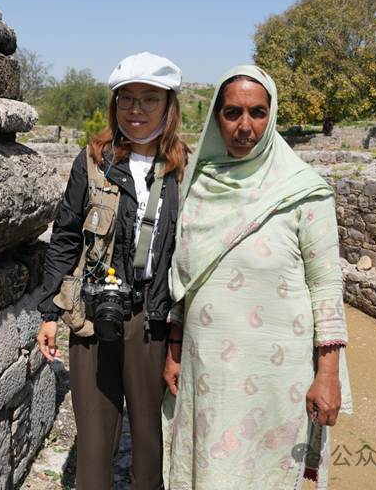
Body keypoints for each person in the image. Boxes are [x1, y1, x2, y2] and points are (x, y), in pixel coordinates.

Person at [162, 65, 352, 490]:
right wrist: (174, 350)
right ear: (216, 117)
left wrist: (327, 375)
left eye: (258, 112)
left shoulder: (304, 190)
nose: (245, 126)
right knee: (210, 468)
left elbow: (326, 285)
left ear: (272, 115)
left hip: (276, 373)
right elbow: (184, 274)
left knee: (264, 471)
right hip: (206, 364)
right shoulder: (200, 184)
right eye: (232, 113)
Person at [36, 52, 189, 490]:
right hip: (93, 315)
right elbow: (65, 233)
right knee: (96, 437)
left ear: (169, 105)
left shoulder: (185, 169)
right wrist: (49, 312)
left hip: (152, 319)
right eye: (126, 99)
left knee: (149, 437)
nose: (135, 111)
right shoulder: (94, 160)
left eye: (149, 99)